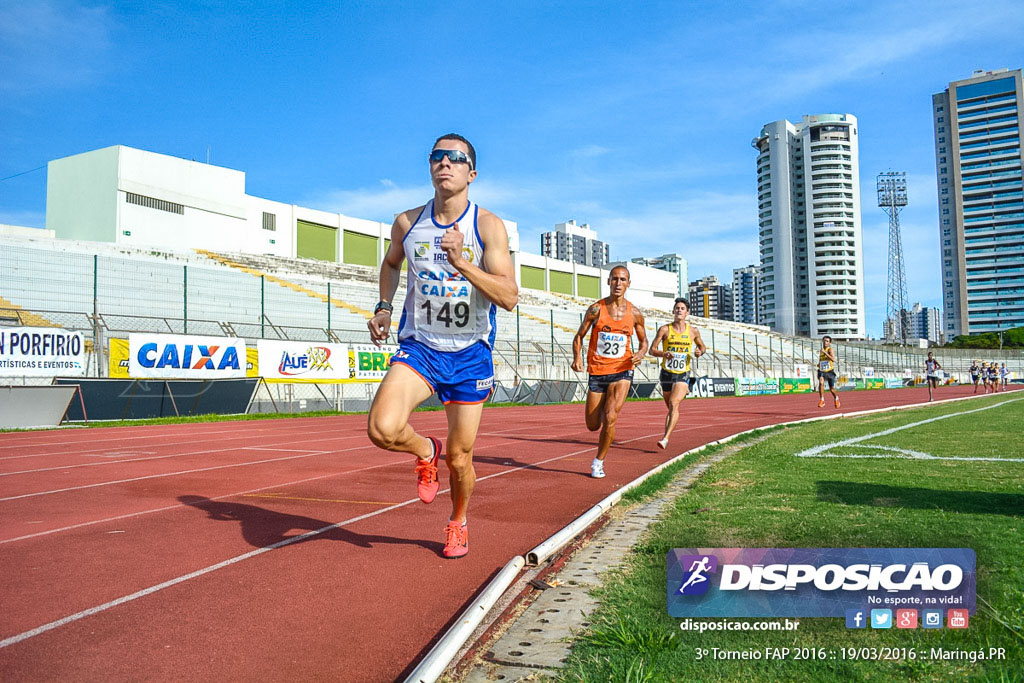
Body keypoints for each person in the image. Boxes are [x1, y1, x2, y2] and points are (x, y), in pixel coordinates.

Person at [366, 133, 518, 559]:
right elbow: (391, 263)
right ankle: (423, 448)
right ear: (430, 167)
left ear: (471, 173)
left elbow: (508, 297)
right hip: (422, 347)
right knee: (382, 428)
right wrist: (383, 306)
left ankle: (458, 521)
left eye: (456, 158)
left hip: (470, 353)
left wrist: (461, 262)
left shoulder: (486, 225)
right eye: (437, 156)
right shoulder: (407, 223)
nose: (445, 163)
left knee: (461, 458)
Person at [571, 265, 648, 478]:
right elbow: (579, 336)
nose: (618, 283)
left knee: (611, 415)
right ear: (608, 282)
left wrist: (641, 353)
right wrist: (577, 357)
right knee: (593, 425)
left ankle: (598, 462)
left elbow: (644, 341)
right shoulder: (596, 309)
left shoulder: (635, 313)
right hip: (597, 371)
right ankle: (604, 416)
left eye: (623, 279)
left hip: (622, 369)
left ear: (628, 284)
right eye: (614, 279)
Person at [649, 298, 706, 450]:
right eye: (677, 308)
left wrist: (699, 351)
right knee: (670, 407)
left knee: (674, 404)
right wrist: (663, 353)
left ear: (687, 312)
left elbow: (702, 347)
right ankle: (668, 431)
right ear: (673, 311)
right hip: (666, 373)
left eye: (682, 308)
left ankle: (665, 438)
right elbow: (651, 350)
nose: (679, 310)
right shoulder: (664, 329)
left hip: (682, 373)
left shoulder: (693, 331)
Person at [817, 335, 840, 409]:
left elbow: (833, 359)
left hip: (829, 371)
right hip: (822, 370)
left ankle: (836, 398)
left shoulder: (830, 349)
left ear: (829, 343)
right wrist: (819, 364)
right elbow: (822, 360)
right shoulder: (821, 350)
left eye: (827, 341)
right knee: (821, 382)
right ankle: (822, 400)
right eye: (824, 340)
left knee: (832, 389)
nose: (825, 342)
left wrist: (825, 353)